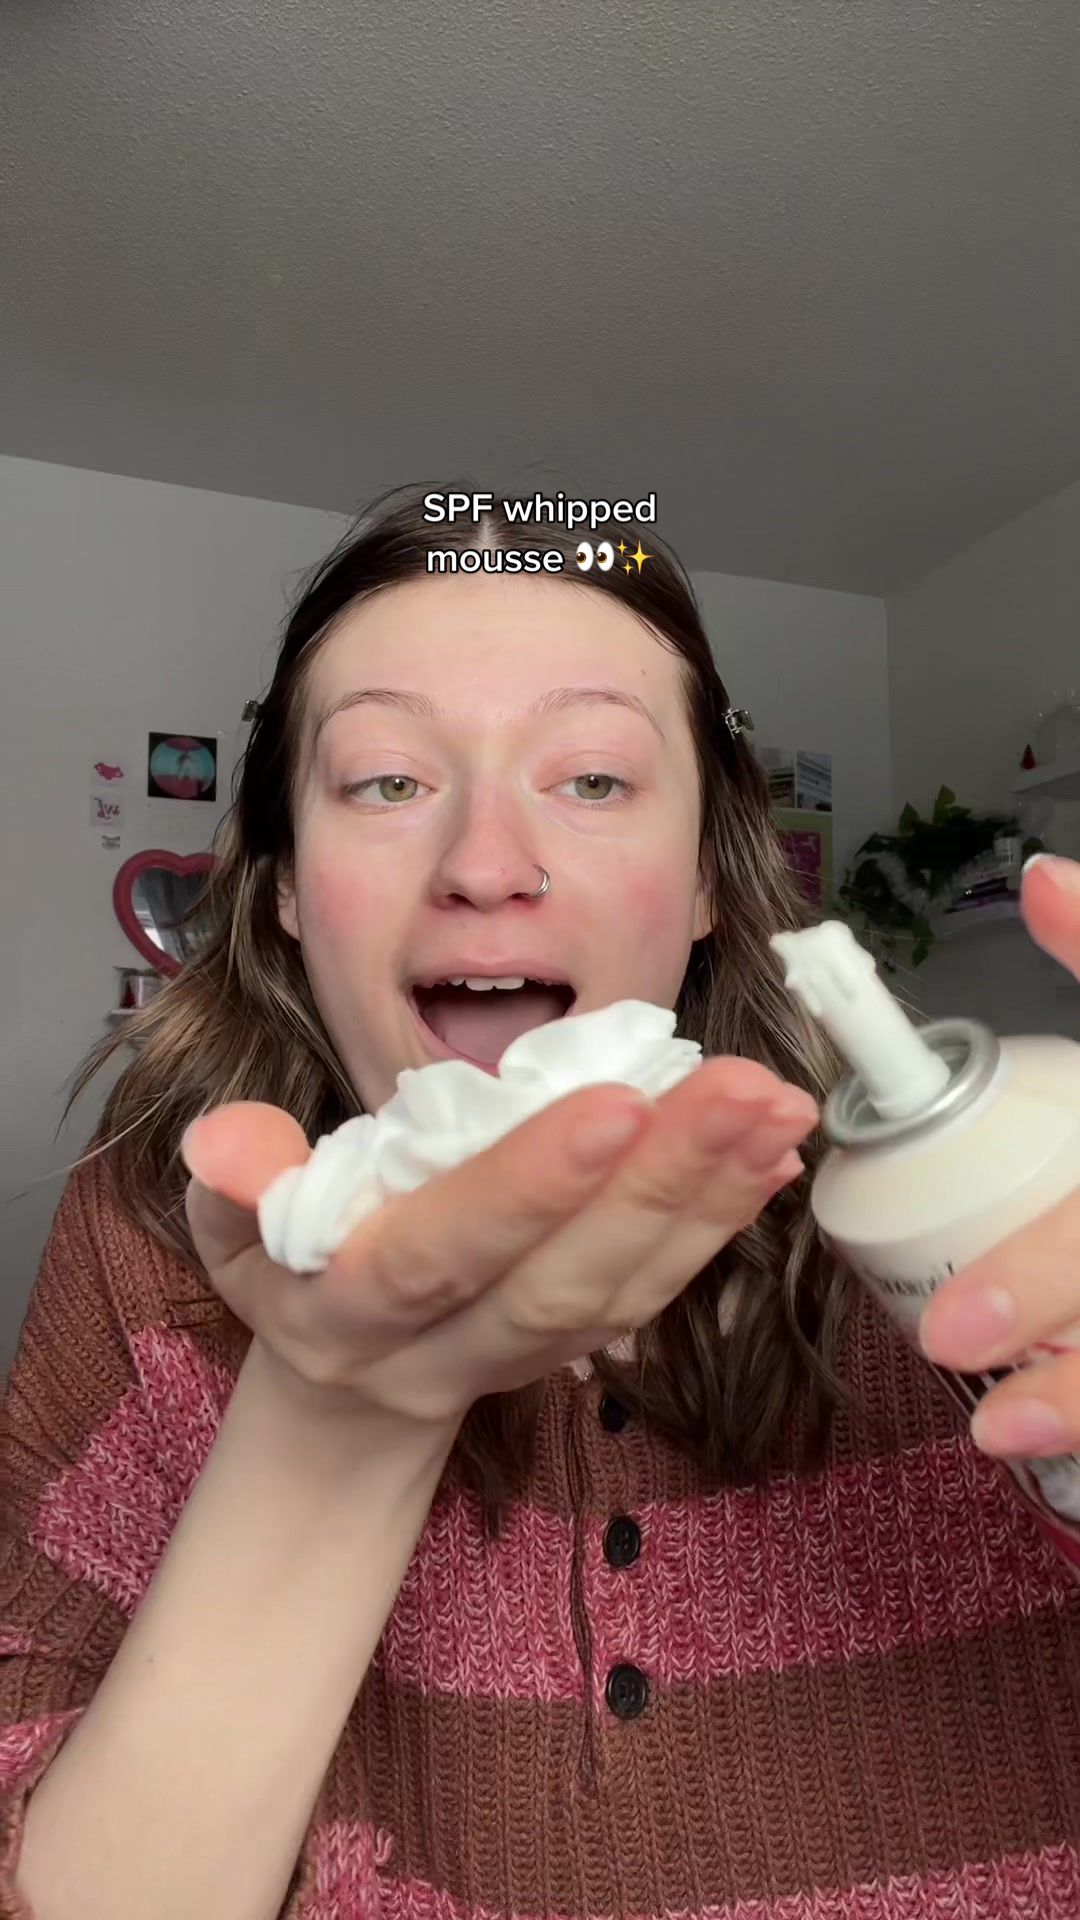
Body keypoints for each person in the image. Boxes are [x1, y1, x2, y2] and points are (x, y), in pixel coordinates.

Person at [3, 486, 1079, 1920]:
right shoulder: (154, 1234)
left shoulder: (960, 1235)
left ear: (707, 883)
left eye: (594, 780)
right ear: (284, 889)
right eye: (386, 781)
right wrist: (334, 1412)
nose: (485, 867)